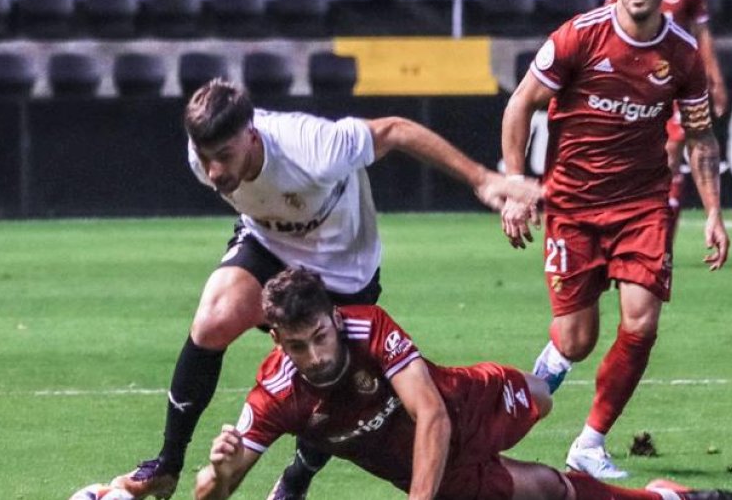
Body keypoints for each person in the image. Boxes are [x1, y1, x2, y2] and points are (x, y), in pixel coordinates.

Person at [116, 79, 542, 500]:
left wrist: (483, 179)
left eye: (224, 156)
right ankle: (167, 467)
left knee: (332, 373)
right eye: (206, 158)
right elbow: (220, 167)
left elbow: (396, 130)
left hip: (344, 269)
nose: (214, 172)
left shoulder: (312, 147)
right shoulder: (204, 155)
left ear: (251, 133)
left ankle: (297, 479)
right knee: (211, 321)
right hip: (269, 244)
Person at [194, 266, 732, 500]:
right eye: (296, 345)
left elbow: (431, 413)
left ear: (334, 319)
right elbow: (213, 492)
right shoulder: (276, 392)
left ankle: (555, 361)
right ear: (276, 342)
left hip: (465, 403)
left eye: (319, 336)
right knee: (549, 490)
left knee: (539, 396)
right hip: (435, 467)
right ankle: (660, 498)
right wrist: (218, 474)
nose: (314, 356)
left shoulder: (369, 326)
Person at [500, 0, 731, 480]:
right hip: (574, 207)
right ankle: (545, 372)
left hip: (643, 205)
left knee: (642, 321)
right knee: (577, 340)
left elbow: (699, 138)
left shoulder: (681, 55)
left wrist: (714, 215)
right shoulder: (579, 36)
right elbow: (520, 105)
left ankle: (590, 442)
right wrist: (514, 187)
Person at [606, 0, 727, 237]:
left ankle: (662, 236)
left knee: (670, 153)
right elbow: (609, 26)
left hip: (673, 77)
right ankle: (634, 228)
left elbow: (701, 31)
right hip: (636, 81)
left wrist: (715, 78)